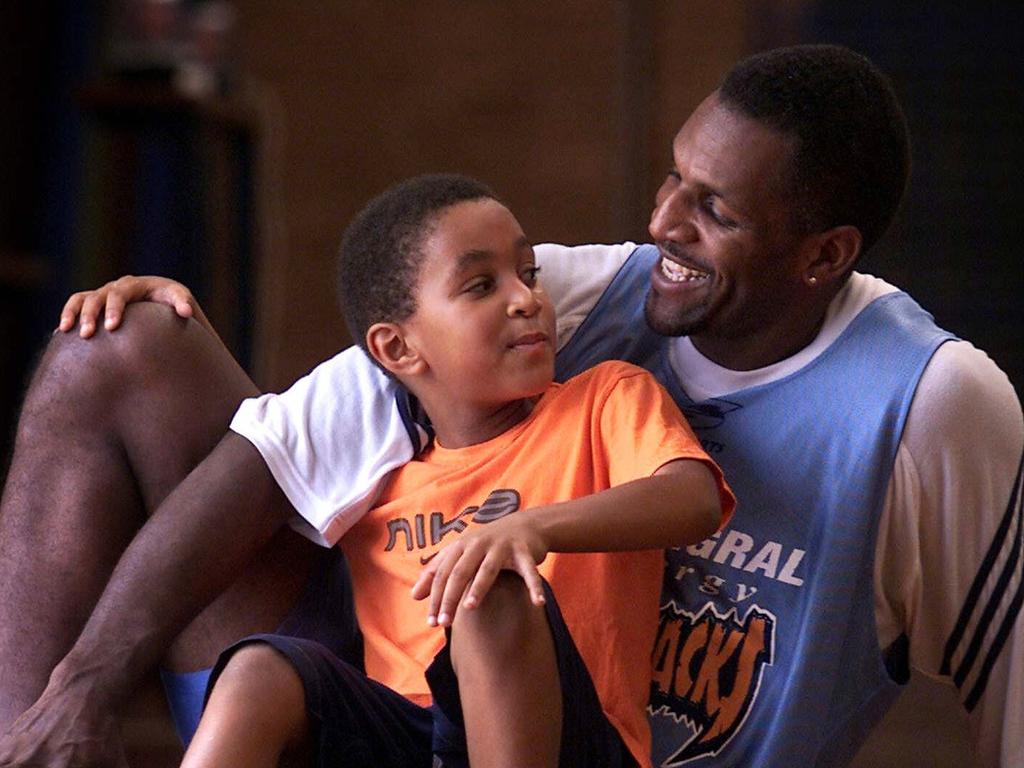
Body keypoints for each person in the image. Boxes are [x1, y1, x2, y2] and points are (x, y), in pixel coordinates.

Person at [0, 43, 1020, 767]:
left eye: (713, 210)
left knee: (492, 594)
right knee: (119, 347)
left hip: (591, 737)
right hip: (390, 721)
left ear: (824, 254)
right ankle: (26, 742)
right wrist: (82, 690)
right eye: (672, 178)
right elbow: (266, 457)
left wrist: (530, 527)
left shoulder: (929, 404)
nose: (661, 222)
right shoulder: (580, 300)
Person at [176, 172, 732, 768]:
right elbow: (228, 434)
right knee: (258, 669)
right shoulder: (379, 483)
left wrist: (531, 528)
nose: (527, 299)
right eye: (480, 285)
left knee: (488, 585)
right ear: (397, 350)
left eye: (529, 274)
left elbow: (691, 496)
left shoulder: (602, 400)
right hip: (410, 738)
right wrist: (166, 311)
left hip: (571, 741)